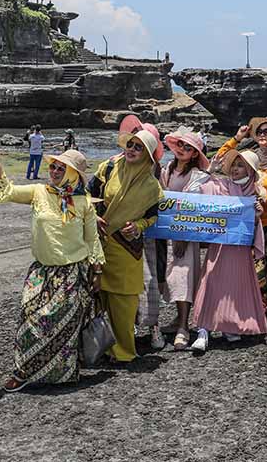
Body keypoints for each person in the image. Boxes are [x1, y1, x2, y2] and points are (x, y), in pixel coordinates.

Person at [0, 140, 103, 392]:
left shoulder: (84, 203)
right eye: (53, 166)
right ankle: (22, 371)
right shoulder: (38, 191)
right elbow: (6, 191)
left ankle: (61, 375)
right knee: (30, 319)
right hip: (41, 273)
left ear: (74, 174)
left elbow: (92, 239)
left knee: (63, 328)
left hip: (72, 274)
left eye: (62, 168)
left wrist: (97, 272)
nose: (55, 171)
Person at [87, 129, 164, 363]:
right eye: (130, 144)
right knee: (96, 297)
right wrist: (92, 215)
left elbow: (153, 216)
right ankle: (97, 348)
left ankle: (123, 353)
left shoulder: (152, 186)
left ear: (148, 154)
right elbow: (87, 194)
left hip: (126, 249)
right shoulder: (109, 167)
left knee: (124, 302)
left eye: (138, 147)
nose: (131, 150)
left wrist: (138, 226)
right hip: (98, 242)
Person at [190, 149, 267, 352]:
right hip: (219, 246)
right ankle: (203, 330)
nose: (235, 169)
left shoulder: (255, 193)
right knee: (211, 282)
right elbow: (192, 191)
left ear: (250, 170)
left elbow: (252, 226)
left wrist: (257, 216)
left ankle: (229, 325)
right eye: (233, 164)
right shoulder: (220, 185)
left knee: (235, 287)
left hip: (240, 249)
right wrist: (209, 171)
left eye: (241, 165)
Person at [216, 114, 267, 306]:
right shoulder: (250, 156)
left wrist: (265, 198)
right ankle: (250, 310)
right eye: (259, 131)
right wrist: (237, 138)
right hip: (245, 224)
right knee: (246, 269)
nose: (262, 134)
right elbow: (220, 160)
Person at [159, 128, 211, 351]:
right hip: (165, 232)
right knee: (168, 278)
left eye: (188, 147)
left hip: (185, 234)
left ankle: (183, 327)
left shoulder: (198, 175)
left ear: (195, 154)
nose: (182, 149)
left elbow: (192, 205)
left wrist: (182, 235)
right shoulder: (166, 170)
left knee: (183, 277)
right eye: (180, 144)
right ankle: (177, 320)